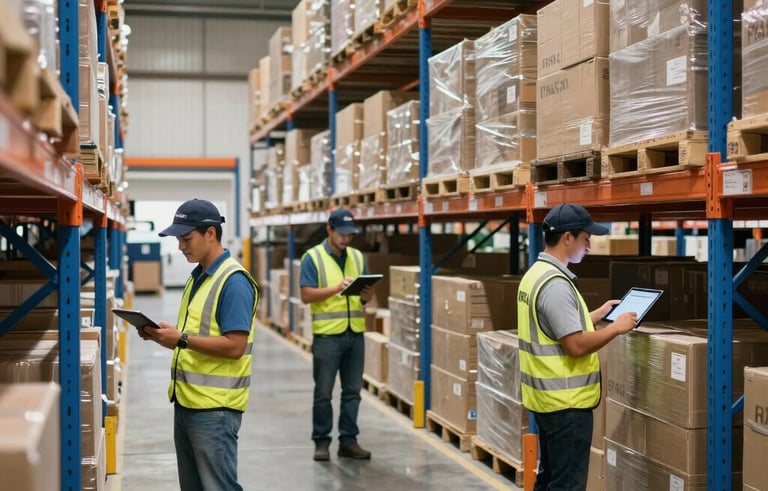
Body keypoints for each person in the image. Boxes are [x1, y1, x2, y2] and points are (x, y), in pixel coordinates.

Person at [137, 199, 259, 491]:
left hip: (215, 410)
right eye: (179, 239)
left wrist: (180, 338)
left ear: (211, 234)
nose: (181, 246)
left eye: (186, 238)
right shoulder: (198, 278)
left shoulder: (234, 282)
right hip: (187, 402)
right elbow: (196, 339)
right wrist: (164, 336)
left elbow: (234, 346)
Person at [517, 203, 637, 491]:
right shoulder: (556, 285)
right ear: (567, 238)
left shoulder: (536, 274)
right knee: (567, 485)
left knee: (549, 479)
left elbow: (555, 327)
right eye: (586, 238)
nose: (589, 246)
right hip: (566, 404)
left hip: (547, 402)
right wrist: (616, 328)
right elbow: (575, 345)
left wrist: (596, 315)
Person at [300, 208, 374, 461]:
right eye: (342, 233)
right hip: (327, 337)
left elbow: (365, 297)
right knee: (323, 392)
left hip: (355, 334)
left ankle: (348, 441)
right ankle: (321, 441)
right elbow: (306, 295)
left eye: (350, 234)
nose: (346, 239)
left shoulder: (357, 256)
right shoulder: (313, 257)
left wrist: (366, 297)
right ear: (329, 229)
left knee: (353, 391)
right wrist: (335, 289)